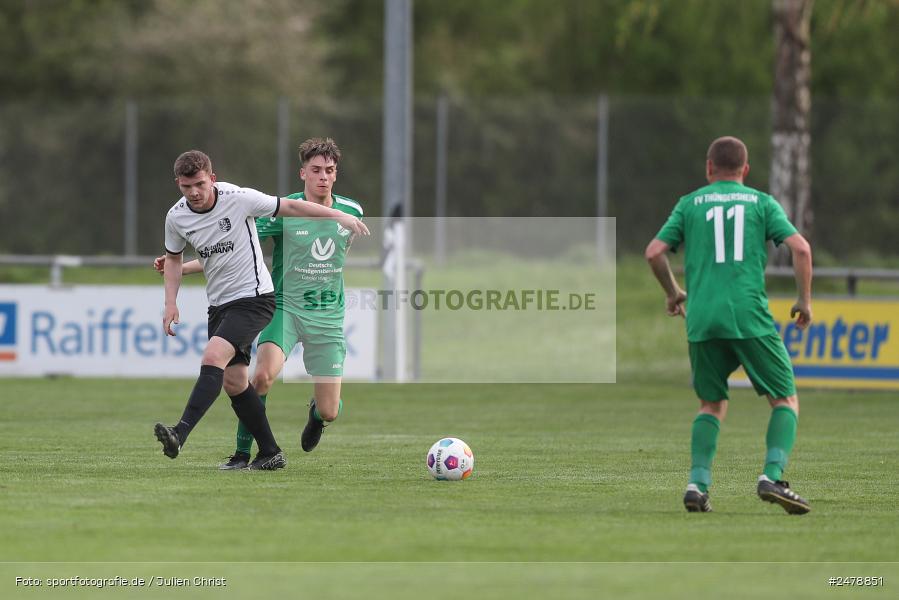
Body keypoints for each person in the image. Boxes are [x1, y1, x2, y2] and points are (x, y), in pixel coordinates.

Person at [154, 149, 369, 470]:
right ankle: (255, 452)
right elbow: (211, 251)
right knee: (250, 379)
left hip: (296, 308)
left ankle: (185, 434)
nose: (323, 176)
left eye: (329, 170)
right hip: (266, 306)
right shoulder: (182, 216)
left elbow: (288, 213)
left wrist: (341, 217)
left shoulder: (350, 211)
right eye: (316, 170)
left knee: (328, 411)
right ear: (303, 173)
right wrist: (176, 285)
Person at [644, 136, 813, 514]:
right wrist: (803, 301)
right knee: (785, 399)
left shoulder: (689, 204)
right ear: (745, 170)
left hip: (702, 319)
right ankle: (772, 475)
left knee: (711, 404)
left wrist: (673, 292)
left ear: (708, 167)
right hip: (749, 315)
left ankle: (697, 484)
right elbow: (801, 248)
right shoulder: (761, 203)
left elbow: (654, 252)